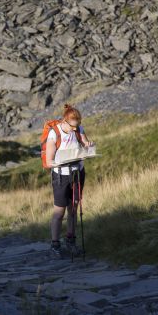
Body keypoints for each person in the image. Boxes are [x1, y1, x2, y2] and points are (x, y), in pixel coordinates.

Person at [45, 103, 94, 260]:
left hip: (78, 173)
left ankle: (71, 241)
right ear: (65, 121)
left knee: (73, 209)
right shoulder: (54, 134)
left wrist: (89, 146)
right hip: (61, 176)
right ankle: (55, 245)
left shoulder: (78, 129)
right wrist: (64, 160)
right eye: (73, 126)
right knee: (59, 212)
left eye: (77, 126)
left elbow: (86, 144)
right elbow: (49, 161)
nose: (75, 129)